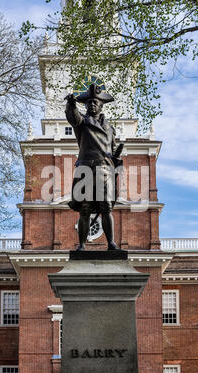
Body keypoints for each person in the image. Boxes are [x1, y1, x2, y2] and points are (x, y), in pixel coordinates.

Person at [65, 83, 123, 251]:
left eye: (95, 102)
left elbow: (112, 150)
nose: (91, 104)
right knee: (85, 208)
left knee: (106, 207)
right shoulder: (82, 122)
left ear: (101, 105)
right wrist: (71, 104)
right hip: (86, 169)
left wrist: (117, 156)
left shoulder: (110, 128)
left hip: (105, 169)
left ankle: (111, 243)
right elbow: (72, 117)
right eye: (88, 102)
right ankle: (81, 245)